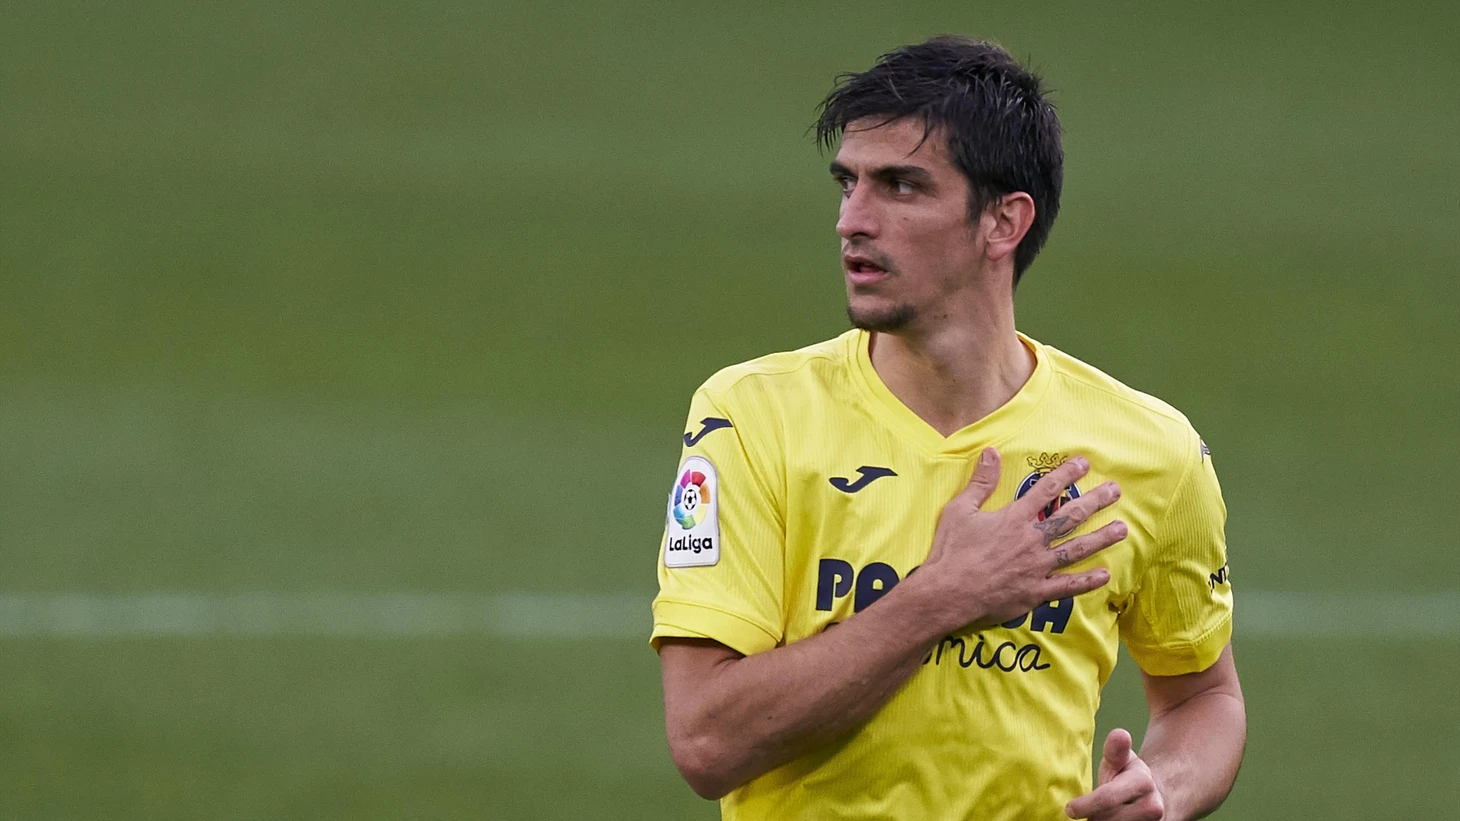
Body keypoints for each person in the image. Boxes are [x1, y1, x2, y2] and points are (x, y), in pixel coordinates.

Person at [651, 35, 1245, 821]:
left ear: (1003, 221)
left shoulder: (1150, 449)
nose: (851, 221)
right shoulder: (754, 417)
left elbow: (1203, 696)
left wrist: (1165, 786)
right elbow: (707, 742)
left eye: (900, 186)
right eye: (848, 183)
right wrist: (944, 596)